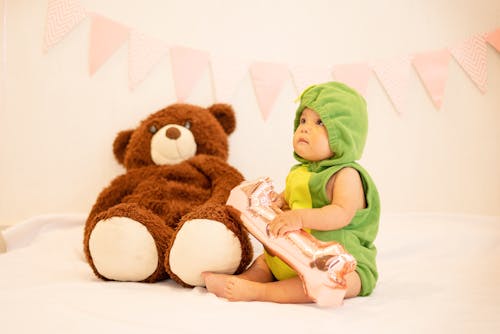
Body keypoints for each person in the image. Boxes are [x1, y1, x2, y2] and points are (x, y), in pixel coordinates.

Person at [203, 81, 380, 304]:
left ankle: (259, 292)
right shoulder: (300, 172)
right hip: (297, 253)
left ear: (345, 134)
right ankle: (245, 280)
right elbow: (289, 198)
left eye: (320, 122)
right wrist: (277, 202)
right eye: (303, 120)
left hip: (339, 262)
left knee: (335, 283)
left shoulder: (347, 174)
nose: (305, 127)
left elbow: (340, 213)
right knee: (266, 262)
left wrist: (299, 217)